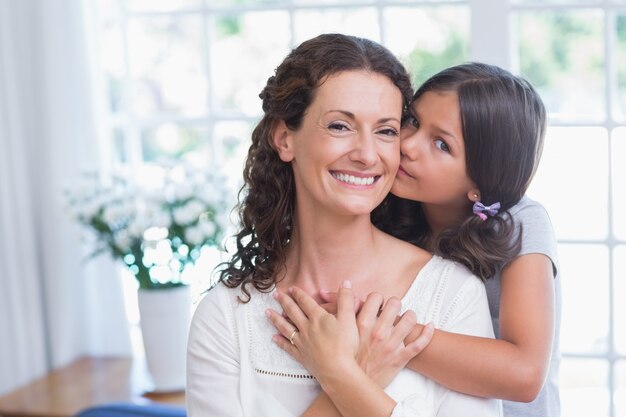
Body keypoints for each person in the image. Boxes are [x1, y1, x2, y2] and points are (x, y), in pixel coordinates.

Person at [186, 34, 501, 417]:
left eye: (386, 131)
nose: (367, 155)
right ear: (285, 138)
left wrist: (339, 375)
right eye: (339, 126)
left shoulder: (451, 293)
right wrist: (358, 375)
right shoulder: (227, 315)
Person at [273, 62, 559, 417]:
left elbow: (525, 375)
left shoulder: (518, 221)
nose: (407, 144)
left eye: (441, 144)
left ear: (480, 184)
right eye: (412, 122)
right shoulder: (390, 206)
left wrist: (380, 330)